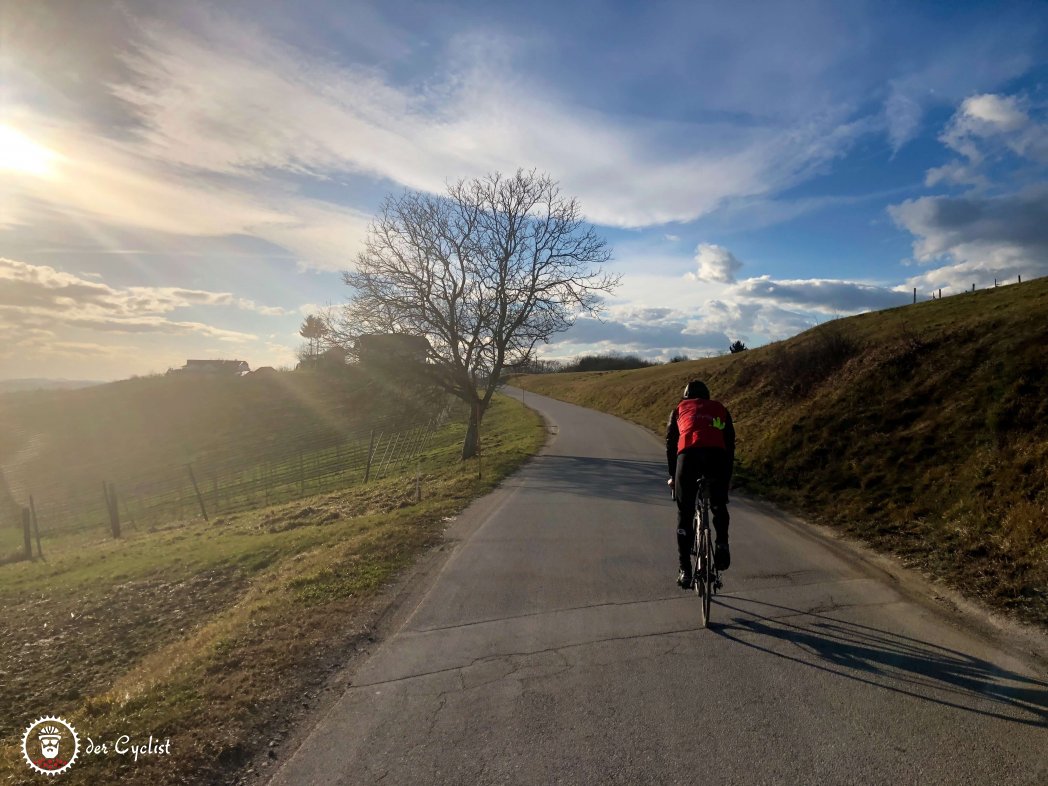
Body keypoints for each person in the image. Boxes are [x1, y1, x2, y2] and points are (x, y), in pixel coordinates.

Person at [666, 379, 735, 589]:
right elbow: (730, 444)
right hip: (718, 457)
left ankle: (685, 569)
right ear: (707, 396)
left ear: (686, 396)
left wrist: (672, 476)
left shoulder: (679, 408)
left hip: (688, 456)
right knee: (718, 504)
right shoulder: (720, 408)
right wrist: (726, 478)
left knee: (685, 512)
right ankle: (721, 543)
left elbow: (670, 443)